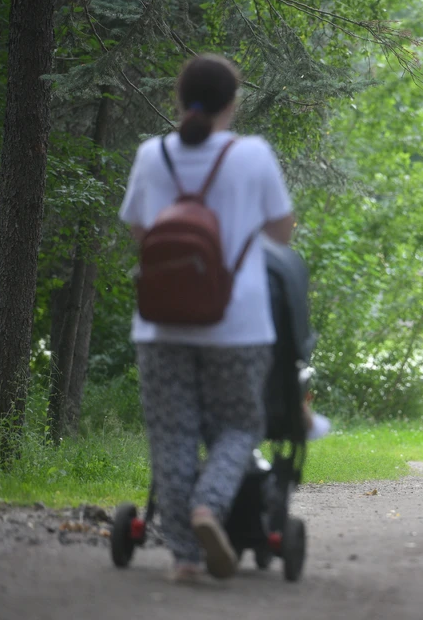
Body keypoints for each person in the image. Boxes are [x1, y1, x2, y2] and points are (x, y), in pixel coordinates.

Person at [119, 54, 295, 581]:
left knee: (172, 435)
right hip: (237, 325)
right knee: (239, 425)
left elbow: (139, 231)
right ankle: (206, 508)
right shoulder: (254, 156)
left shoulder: (152, 156)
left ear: (178, 98)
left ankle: (185, 559)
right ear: (233, 104)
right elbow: (281, 235)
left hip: (161, 322)